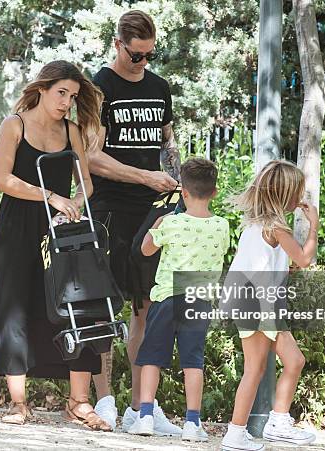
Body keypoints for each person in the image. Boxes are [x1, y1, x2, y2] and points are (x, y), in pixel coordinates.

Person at [0, 60, 111, 431]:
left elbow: (87, 182)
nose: (66, 102)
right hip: (17, 226)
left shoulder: (72, 131)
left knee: (80, 305)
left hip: (62, 229)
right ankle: (18, 403)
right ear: (42, 89)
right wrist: (53, 196)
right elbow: (1, 179)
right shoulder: (15, 125)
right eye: (61, 93)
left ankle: (79, 403)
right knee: (14, 306)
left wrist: (73, 201)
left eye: (73, 96)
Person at [88, 10, 182, 435]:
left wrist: (178, 186)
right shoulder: (97, 87)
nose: (142, 62)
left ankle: (142, 407)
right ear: (117, 44)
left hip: (153, 211)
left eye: (149, 54)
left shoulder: (159, 87)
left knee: (146, 308)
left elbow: (167, 144)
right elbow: (90, 156)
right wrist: (144, 176)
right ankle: (104, 402)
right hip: (109, 208)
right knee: (104, 309)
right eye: (136, 54)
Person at [127, 158, 230, 442]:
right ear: (215, 192)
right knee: (193, 362)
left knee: (151, 357)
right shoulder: (222, 226)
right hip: (198, 300)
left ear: (182, 192)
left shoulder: (170, 223)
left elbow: (145, 251)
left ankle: (145, 416)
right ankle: (191, 423)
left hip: (166, 298)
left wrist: (156, 226)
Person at [220, 160, 318, 450]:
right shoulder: (276, 226)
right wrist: (314, 225)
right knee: (256, 368)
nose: (300, 198)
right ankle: (239, 432)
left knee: (291, 361)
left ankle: (275, 421)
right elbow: (304, 258)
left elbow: (258, 263)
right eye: (297, 191)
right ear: (285, 194)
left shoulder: (255, 224)